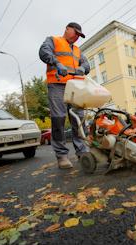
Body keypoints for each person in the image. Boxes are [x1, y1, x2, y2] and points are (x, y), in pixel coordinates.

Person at [39, 22, 90, 169]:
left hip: (74, 86)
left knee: (78, 118)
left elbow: (86, 64)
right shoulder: (53, 40)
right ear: (67, 29)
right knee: (58, 117)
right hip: (57, 84)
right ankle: (61, 155)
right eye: (76, 33)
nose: (77, 37)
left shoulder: (78, 50)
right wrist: (56, 63)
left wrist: (82, 68)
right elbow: (43, 52)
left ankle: (82, 151)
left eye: (79, 36)